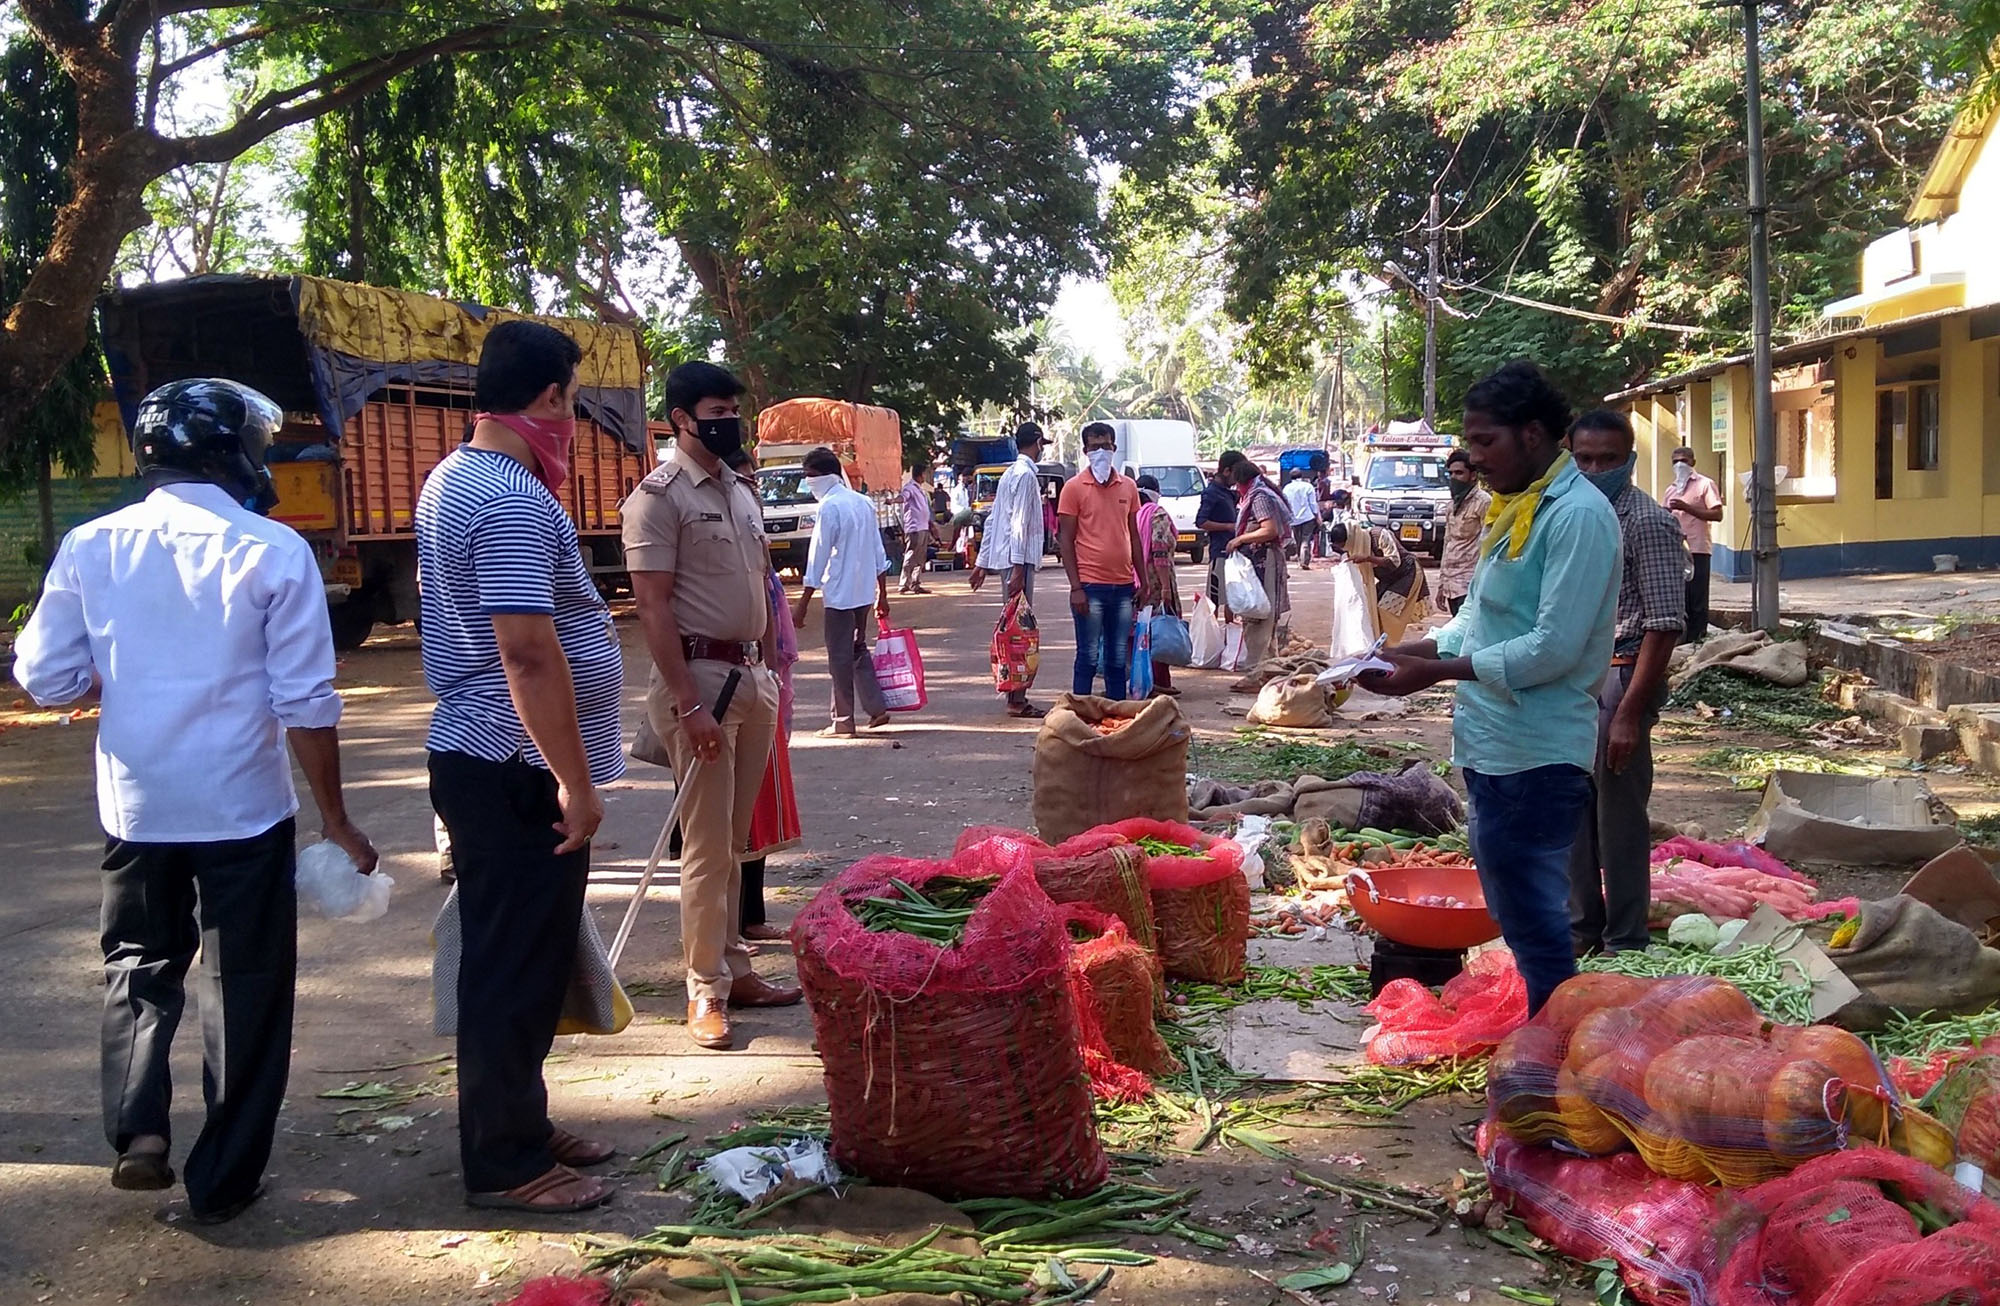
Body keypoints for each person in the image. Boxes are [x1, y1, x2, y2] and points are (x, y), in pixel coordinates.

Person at [12, 378, 375, 1225]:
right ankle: (225, 1177)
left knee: (139, 965)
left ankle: (140, 1133)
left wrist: (120, 677)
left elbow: (43, 676)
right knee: (244, 982)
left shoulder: (91, 545)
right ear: (233, 450)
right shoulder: (272, 550)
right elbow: (306, 703)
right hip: (242, 807)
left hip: (134, 807)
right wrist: (337, 818)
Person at [414, 321, 626, 1213]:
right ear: (546, 399)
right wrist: (573, 783)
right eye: (572, 403)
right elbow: (528, 654)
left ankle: (523, 1125)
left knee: (532, 961)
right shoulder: (505, 497)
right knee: (507, 968)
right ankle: (503, 1163)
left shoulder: (457, 478)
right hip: (511, 766)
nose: (572, 422)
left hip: (493, 758)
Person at [1355, 361, 1620, 1014]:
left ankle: (1553, 1048)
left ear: (1532, 434)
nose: (1472, 460)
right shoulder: (1519, 507)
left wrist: (1436, 672)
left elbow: (1553, 648)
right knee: (1511, 900)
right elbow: (1479, 617)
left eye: (1484, 442)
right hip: (1494, 743)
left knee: (1532, 915)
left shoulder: (1577, 517)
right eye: (1469, 444)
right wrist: (1406, 655)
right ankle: (1549, 1039)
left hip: (1539, 748)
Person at [623, 361, 801, 1054]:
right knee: (704, 846)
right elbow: (653, 608)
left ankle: (734, 965)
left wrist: (771, 678)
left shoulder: (741, 492)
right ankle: (705, 989)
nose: (729, 419)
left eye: (734, 406)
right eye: (715, 408)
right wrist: (688, 702)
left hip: (752, 681)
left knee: (737, 841)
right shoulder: (657, 499)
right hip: (699, 684)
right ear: (679, 420)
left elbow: (760, 588)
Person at [1566, 410, 1686, 957]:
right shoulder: (1576, 514)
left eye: (1607, 459)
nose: (1594, 469)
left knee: (1618, 818)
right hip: (1580, 677)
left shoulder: (1645, 520)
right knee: (1574, 808)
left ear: (1629, 460)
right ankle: (1582, 928)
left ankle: (1625, 938)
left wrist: (1629, 713)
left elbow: (1664, 624)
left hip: (1623, 673)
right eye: (1584, 458)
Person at [793, 446, 894, 737]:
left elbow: (818, 556)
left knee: (839, 656)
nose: (809, 483)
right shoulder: (862, 503)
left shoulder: (829, 507)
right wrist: (882, 594)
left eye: (811, 476)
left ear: (826, 475)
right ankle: (876, 708)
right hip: (862, 592)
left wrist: (803, 603)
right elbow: (879, 552)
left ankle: (843, 720)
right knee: (857, 649)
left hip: (839, 594)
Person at [1058, 421, 1147, 699]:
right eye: (1094, 447)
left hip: (1122, 586)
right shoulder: (1073, 488)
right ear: (1085, 451)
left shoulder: (1129, 487)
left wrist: (1144, 581)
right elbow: (1065, 540)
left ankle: (1116, 717)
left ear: (1114, 448)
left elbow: (1134, 536)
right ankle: (1080, 716)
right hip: (1089, 586)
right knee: (1087, 656)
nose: (1100, 451)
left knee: (1118, 659)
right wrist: (1076, 588)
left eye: (1105, 446)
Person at [969, 422, 1049, 717]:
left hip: (1010, 560)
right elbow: (1018, 524)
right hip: (1019, 561)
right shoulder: (1025, 476)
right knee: (1019, 629)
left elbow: (994, 520)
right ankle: (1017, 697)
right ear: (1038, 443)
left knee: (1014, 625)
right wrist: (1017, 568)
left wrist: (981, 563)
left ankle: (1015, 693)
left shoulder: (1009, 474)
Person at [1224, 458, 1292, 664]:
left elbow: (1269, 530)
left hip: (1264, 560)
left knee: (1260, 613)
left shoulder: (1260, 497)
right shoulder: (1258, 494)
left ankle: (1258, 670)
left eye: (1237, 484)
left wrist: (1239, 539)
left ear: (1243, 481)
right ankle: (1266, 667)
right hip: (1257, 561)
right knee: (1255, 613)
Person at [1327, 518, 1428, 645]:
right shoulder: (1354, 546)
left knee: (1386, 609)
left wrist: (1368, 558)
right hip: (1388, 578)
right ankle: (1378, 643)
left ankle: (1388, 646)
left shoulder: (1378, 535)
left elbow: (1394, 562)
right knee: (1371, 608)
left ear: (1350, 538)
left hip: (1407, 573)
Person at [1664, 446, 1722, 643]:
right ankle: (1684, 639)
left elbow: (1717, 514)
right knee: (1681, 596)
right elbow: (1666, 515)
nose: (1679, 465)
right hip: (1676, 550)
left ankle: (1699, 637)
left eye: (1684, 461)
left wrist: (1686, 507)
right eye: (1675, 462)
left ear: (1692, 463)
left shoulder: (1705, 484)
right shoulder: (1671, 489)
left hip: (1698, 549)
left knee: (1698, 596)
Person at [1134, 474, 1182, 698]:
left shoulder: (1131, 514)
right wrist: (1165, 587)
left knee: (1139, 631)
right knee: (1159, 631)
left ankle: (1139, 678)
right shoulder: (1158, 514)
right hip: (1154, 581)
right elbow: (1160, 552)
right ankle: (1159, 680)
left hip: (1134, 579)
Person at [1439, 448, 1491, 617]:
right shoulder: (1451, 506)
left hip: (1470, 584)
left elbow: (1489, 545)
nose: (1454, 478)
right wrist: (1442, 584)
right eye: (1451, 474)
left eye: (1459, 473)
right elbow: (1448, 544)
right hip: (1451, 584)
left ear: (1473, 475)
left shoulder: (1483, 503)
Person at [1197, 451, 1248, 604]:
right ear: (1226, 471)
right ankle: (1214, 628)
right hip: (1219, 552)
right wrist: (1228, 526)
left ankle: (1229, 626)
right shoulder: (1212, 492)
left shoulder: (1228, 493)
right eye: (1236, 474)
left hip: (1233, 551)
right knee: (1216, 598)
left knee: (1232, 597)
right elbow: (1201, 521)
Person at [898, 459, 937, 595]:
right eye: (924, 474)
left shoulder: (920, 490)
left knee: (920, 558)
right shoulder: (909, 488)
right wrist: (893, 501)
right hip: (914, 528)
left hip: (923, 527)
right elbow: (903, 498)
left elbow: (924, 509)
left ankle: (915, 583)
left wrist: (931, 525)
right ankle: (904, 583)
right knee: (911, 555)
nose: (925, 477)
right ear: (920, 475)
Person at [1282, 470, 1320, 568]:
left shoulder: (1286, 488)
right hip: (1307, 517)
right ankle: (1305, 561)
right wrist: (1317, 516)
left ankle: (1300, 559)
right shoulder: (1308, 486)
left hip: (1293, 518)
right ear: (1301, 476)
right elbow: (1312, 503)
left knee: (1298, 539)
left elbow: (1285, 503)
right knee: (1306, 539)